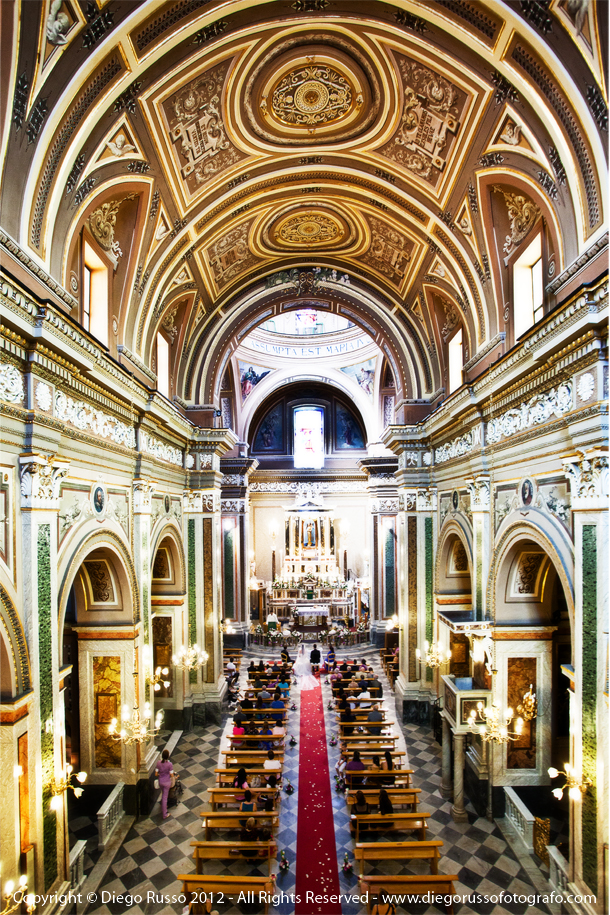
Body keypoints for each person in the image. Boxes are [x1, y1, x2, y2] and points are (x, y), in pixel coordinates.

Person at [155, 748, 174, 820]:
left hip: (161, 781)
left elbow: (156, 773)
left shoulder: (158, 763)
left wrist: (160, 775)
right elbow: (171, 775)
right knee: (164, 797)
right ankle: (165, 814)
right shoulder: (169, 764)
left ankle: (164, 806)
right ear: (168, 756)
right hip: (167, 782)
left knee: (163, 794)